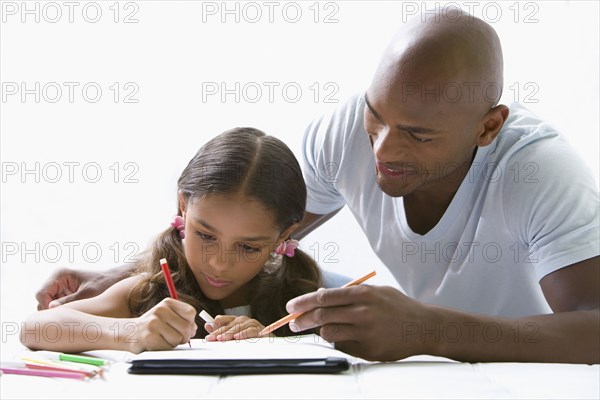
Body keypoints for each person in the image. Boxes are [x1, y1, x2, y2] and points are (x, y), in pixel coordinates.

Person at [35, 12, 599, 363]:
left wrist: (427, 329)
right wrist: (125, 274)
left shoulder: (541, 173)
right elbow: (254, 224)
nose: (382, 151)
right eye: (376, 116)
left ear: (487, 127)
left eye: (418, 135)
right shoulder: (349, 130)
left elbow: (593, 330)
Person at [21, 127, 341, 353]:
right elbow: (36, 327)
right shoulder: (153, 289)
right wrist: (130, 332)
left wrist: (272, 344)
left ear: (284, 236)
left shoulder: (304, 302)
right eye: (205, 235)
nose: (218, 263)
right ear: (183, 208)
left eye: (247, 247)